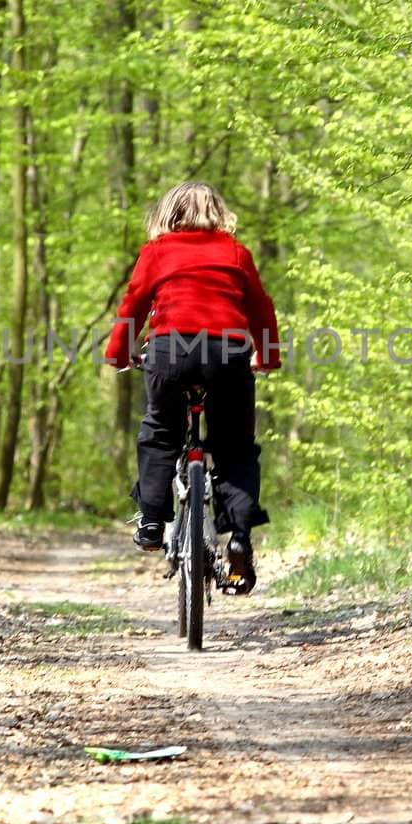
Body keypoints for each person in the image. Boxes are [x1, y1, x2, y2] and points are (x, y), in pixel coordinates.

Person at [103, 181, 281, 595]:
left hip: (170, 350)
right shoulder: (236, 252)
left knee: (160, 433)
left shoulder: (157, 252)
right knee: (235, 449)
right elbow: (260, 307)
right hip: (227, 352)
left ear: (169, 213)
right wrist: (267, 356)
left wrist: (119, 353)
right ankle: (238, 536)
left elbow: (134, 303)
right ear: (218, 212)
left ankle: (151, 518)